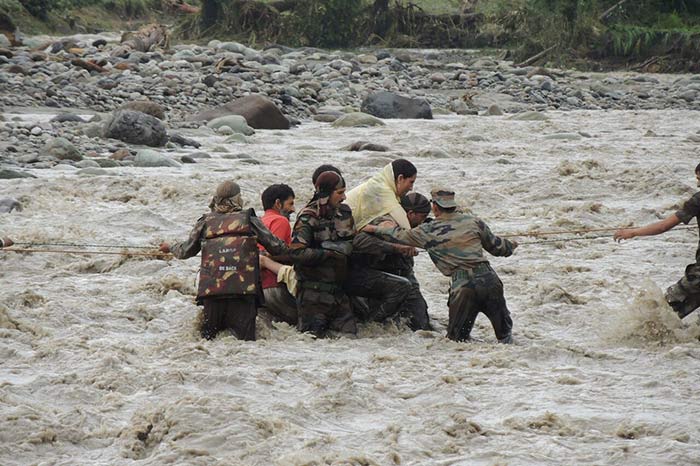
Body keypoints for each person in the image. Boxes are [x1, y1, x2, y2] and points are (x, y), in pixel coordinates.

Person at [363, 188, 518, 343]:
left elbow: (397, 234)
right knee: (505, 337)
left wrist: (372, 228)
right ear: (453, 205)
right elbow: (499, 248)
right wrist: (511, 245)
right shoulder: (474, 221)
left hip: (463, 288)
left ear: (435, 207)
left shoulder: (428, 230)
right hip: (490, 281)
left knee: (457, 342)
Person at [160, 180, 291, 341]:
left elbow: (185, 251)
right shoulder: (249, 219)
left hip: (212, 294)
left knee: (208, 342)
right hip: (243, 294)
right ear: (237, 199)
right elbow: (277, 247)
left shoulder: (204, 222)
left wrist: (170, 247)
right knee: (245, 345)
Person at [614, 163, 700, 319]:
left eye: (699, 179)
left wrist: (633, 232)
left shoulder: (698, 200)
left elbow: (663, 226)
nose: (698, 183)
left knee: (662, 313)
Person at [350, 192, 433, 330]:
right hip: (382, 279)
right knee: (377, 322)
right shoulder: (386, 222)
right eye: (422, 217)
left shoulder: (414, 226)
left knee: (422, 323)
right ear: (411, 214)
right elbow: (359, 241)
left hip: (405, 275)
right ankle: (372, 326)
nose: (423, 221)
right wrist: (396, 248)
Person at [290, 171, 357, 337]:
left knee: (350, 341)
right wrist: (328, 253)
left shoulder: (345, 213)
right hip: (314, 296)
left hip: (340, 294)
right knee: (313, 343)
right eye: (340, 193)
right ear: (326, 193)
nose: (344, 197)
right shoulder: (308, 218)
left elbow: (353, 242)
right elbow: (297, 253)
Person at [257, 183, 298, 325]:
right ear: (278, 203)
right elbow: (273, 253)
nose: (293, 209)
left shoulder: (259, 222)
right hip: (274, 287)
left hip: (258, 290)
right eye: (290, 203)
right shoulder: (281, 221)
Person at [345, 159, 417, 231]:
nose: (411, 188)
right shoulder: (381, 188)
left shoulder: (381, 183)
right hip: (341, 222)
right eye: (411, 182)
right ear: (400, 178)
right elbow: (403, 222)